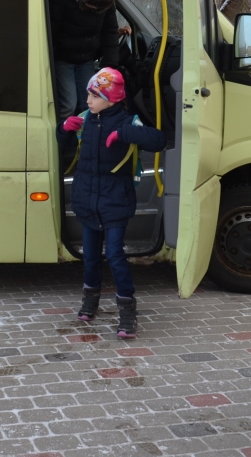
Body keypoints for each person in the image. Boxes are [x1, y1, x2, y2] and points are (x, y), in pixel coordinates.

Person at [57, 67, 167, 338]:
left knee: (116, 256)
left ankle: (127, 312)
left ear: (111, 99)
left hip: (114, 201)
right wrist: (64, 130)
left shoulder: (128, 122)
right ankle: (90, 301)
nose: (88, 100)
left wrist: (125, 134)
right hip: (87, 200)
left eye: (94, 95)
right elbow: (60, 145)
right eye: (88, 94)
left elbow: (158, 140)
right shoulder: (86, 119)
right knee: (90, 257)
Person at [49, 0, 121, 121]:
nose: (95, 9)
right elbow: (50, 29)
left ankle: (84, 139)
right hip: (62, 57)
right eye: (91, 5)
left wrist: (109, 65)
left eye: (99, 7)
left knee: (91, 104)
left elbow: (110, 31)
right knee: (68, 104)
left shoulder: (105, 2)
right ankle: (62, 139)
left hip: (87, 58)